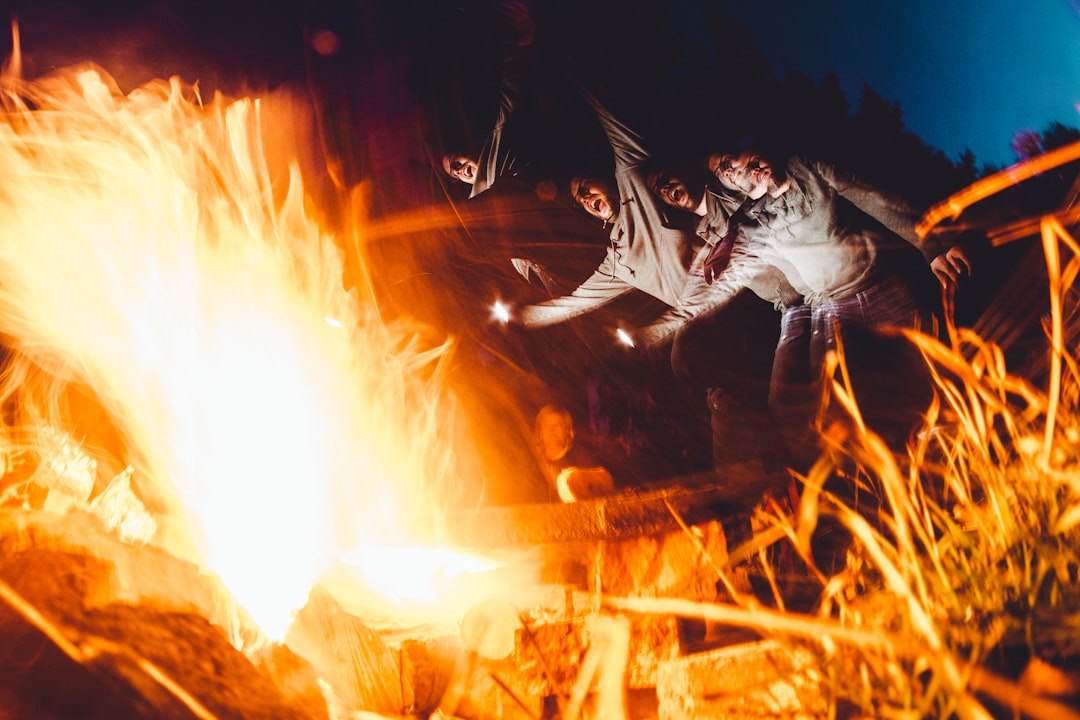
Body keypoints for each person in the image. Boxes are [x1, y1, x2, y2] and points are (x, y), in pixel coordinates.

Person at [709, 149, 973, 457]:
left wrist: (934, 244)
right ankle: (880, 465)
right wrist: (721, 253)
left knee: (935, 361)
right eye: (726, 171)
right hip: (832, 309)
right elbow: (730, 240)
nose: (747, 169)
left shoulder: (808, 167)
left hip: (878, 283)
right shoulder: (750, 220)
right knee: (834, 400)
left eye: (746, 159)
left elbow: (877, 198)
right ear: (731, 183)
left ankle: (964, 433)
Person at [640, 161, 809, 481]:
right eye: (658, 190)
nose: (664, 188)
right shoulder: (701, 231)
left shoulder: (728, 193)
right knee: (688, 362)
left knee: (792, 406)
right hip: (785, 309)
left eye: (666, 177)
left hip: (809, 295)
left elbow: (754, 205)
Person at [516, 87, 701, 329]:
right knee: (683, 356)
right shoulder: (618, 259)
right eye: (579, 199)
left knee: (686, 353)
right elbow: (579, 301)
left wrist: (579, 76)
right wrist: (524, 317)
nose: (584, 197)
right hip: (701, 318)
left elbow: (616, 128)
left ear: (605, 177)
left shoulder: (636, 186)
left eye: (584, 185)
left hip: (731, 286)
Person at [533, 404, 615, 502]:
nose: (552, 430)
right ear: (539, 433)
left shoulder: (584, 460)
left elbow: (605, 487)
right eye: (546, 426)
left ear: (567, 431)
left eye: (557, 425)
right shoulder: (533, 464)